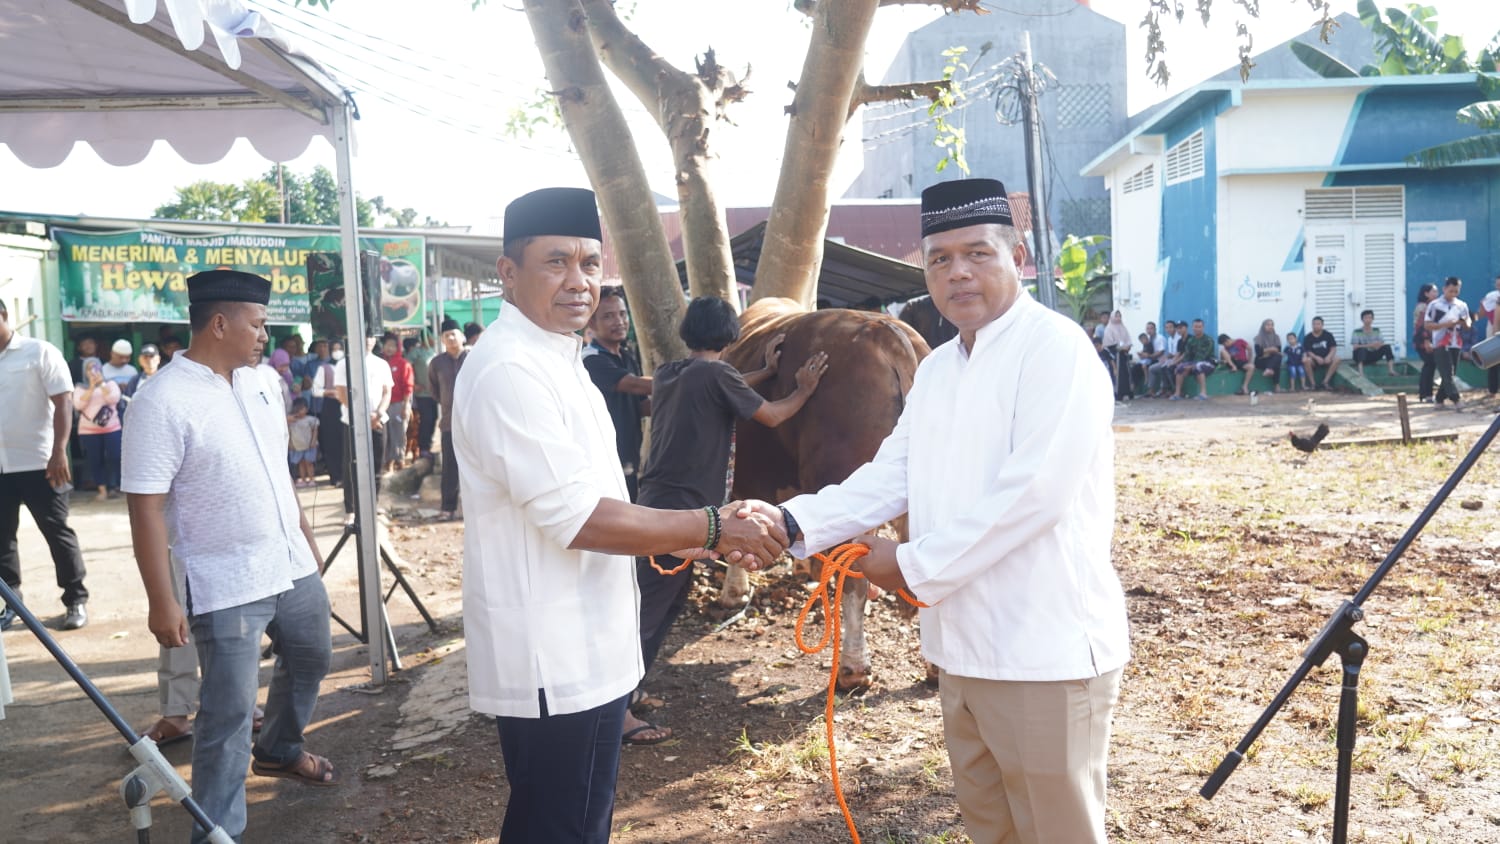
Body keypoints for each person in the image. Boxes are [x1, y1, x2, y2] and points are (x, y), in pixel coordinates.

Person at [734, 178, 1128, 844]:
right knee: (990, 829)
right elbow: (889, 476)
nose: (958, 272)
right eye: (940, 258)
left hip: (1043, 652)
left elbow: (1033, 496)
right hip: (960, 648)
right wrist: (793, 524)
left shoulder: (1056, 351)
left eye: (977, 252)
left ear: (1019, 257)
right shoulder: (942, 367)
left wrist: (908, 565)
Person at [452, 187, 788, 844]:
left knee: (577, 822)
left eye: (587, 263)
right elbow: (580, 520)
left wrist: (685, 541)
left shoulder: (561, 357)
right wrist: (712, 527)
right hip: (555, 653)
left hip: (592, 638)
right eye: (555, 263)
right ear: (507, 272)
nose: (578, 283)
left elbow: (603, 501)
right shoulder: (510, 370)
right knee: (561, 829)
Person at [123, 269, 337, 844]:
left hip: (290, 564)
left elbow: (278, 469)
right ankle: (218, 832)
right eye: (258, 324)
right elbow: (144, 507)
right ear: (220, 323)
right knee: (227, 716)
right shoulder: (161, 400)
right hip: (225, 583)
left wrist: (307, 542)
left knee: (315, 657)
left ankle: (280, 751)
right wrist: (161, 600)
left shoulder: (263, 380)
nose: (266, 336)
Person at [627, 297, 828, 744]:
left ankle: (632, 688)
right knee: (650, 607)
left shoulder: (668, 372)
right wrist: (802, 389)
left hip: (656, 498)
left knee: (667, 600)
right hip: (684, 507)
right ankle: (617, 712)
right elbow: (772, 414)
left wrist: (763, 373)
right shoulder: (716, 375)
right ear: (730, 334)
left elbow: (723, 386)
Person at [0, 299, 89, 632]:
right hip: (0, 468)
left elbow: (63, 401)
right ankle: (11, 604)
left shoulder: (39, 352)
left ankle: (75, 599)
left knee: (56, 531)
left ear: (5, 315)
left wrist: (59, 451)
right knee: (1, 538)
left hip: (41, 462)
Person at [582, 287, 651, 500]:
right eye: (608, 316)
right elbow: (633, 385)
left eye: (622, 314)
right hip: (603, 458)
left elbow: (641, 405)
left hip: (629, 453)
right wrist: (689, 381)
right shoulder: (591, 359)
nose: (619, 321)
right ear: (592, 323)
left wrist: (680, 403)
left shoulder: (627, 355)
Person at [334, 336, 394, 523]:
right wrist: (361, 417)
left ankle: (373, 505)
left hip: (377, 420)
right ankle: (351, 509)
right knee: (351, 464)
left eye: (371, 336)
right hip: (352, 421)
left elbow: (387, 391)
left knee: (377, 465)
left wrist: (378, 413)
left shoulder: (381, 364)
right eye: (364, 336)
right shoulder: (344, 363)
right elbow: (342, 394)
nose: (367, 340)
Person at [428, 319, 467, 520]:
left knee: (477, 469)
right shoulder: (437, 363)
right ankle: (448, 507)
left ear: (462, 336)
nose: (451, 338)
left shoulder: (473, 357)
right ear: (442, 339)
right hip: (449, 423)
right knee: (449, 467)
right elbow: (434, 391)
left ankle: (473, 510)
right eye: (446, 335)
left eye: (454, 333)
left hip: (475, 425)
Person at [74, 358, 123, 501]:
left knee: (115, 457)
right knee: (95, 460)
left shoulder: (110, 384)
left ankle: (113, 486)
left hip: (112, 428)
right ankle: (102, 489)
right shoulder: (80, 387)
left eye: (96, 368)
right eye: (90, 369)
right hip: (89, 431)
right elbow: (78, 405)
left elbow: (113, 398)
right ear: (85, 371)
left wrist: (101, 384)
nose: (93, 371)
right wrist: (91, 387)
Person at [1426, 276, 1471, 409]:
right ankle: (1456, 400)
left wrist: (1464, 323)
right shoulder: (1434, 305)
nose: (1453, 294)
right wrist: (1445, 324)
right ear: (1444, 289)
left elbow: (1468, 323)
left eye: (1456, 291)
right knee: (1447, 372)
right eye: (1450, 291)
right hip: (1440, 342)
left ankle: (1439, 400)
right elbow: (1427, 324)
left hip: (1456, 342)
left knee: (1451, 373)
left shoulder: (1462, 305)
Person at [312, 340, 344, 484]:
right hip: (330, 407)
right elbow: (315, 390)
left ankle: (346, 476)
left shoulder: (349, 365)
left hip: (346, 406)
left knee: (345, 442)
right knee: (332, 442)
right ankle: (335, 476)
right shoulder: (324, 368)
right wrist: (329, 392)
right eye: (334, 348)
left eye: (339, 348)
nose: (337, 351)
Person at [383, 334, 414, 473]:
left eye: (392, 345)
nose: (389, 348)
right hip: (383, 405)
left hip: (398, 404)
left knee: (399, 433)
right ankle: (388, 462)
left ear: (398, 347)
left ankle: (399, 459)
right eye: (387, 345)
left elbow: (408, 386)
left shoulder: (403, 364)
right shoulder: (381, 363)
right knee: (386, 435)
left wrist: (406, 405)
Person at [407, 334, 437, 460]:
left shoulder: (433, 352)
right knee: (426, 419)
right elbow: (407, 367)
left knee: (433, 419)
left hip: (433, 393)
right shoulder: (416, 352)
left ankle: (428, 445)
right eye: (431, 336)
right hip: (421, 394)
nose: (434, 339)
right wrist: (413, 384)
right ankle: (423, 448)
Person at [1171, 319, 1215, 400]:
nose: (1197, 329)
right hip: (1192, 362)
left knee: (1198, 366)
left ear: (1203, 327)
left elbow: (1202, 356)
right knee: (1180, 367)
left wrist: (1190, 366)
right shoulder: (1191, 340)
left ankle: (1203, 393)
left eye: (1199, 327)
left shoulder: (1208, 340)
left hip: (1208, 362)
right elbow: (1187, 355)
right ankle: (1177, 394)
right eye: (1195, 327)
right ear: (1192, 328)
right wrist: (1184, 365)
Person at [1412, 283, 1439, 402]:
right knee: (1429, 365)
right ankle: (1426, 394)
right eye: (1433, 291)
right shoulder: (1423, 307)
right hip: (1423, 341)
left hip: (1426, 340)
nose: (1436, 294)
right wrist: (1427, 340)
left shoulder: (1429, 305)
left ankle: (1425, 394)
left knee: (1429, 366)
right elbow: (1422, 326)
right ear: (1426, 293)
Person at [1350, 310, 1396, 376]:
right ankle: (1361, 373)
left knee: (1387, 347)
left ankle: (1391, 370)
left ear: (1372, 319)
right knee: (1361, 350)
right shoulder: (1357, 331)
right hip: (1360, 356)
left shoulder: (1376, 330)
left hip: (1373, 354)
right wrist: (1370, 345)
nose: (1368, 320)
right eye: (1366, 318)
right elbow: (1355, 347)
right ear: (1362, 319)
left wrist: (1377, 345)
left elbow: (1381, 343)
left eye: (1370, 318)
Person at [1101, 310, 1133, 401]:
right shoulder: (1109, 329)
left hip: (1124, 355)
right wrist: (1121, 348)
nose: (1118, 318)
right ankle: (1118, 393)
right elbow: (1109, 344)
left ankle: (1127, 392)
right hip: (1115, 356)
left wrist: (1127, 347)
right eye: (1116, 316)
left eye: (1120, 316)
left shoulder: (1123, 328)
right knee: (1117, 374)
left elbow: (1128, 340)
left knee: (1126, 373)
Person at [288, 398, 320, 488]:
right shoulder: (291, 421)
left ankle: (311, 479)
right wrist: (290, 444)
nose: (299, 412)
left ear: (306, 408)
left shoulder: (311, 420)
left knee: (309, 463)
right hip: (297, 446)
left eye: (301, 409)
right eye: (297, 409)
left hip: (309, 445)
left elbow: (315, 430)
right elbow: (289, 433)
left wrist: (314, 441)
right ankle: (303, 480)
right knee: (301, 463)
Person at [1303, 316, 1340, 389]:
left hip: (1327, 359)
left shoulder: (1328, 335)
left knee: (1337, 359)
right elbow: (1308, 351)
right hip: (1314, 360)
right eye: (1314, 324)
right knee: (1306, 360)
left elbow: (1333, 348)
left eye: (1318, 324)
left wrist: (1329, 357)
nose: (1315, 326)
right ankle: (1313, 384)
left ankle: (1325, 382)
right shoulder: (1308, 337)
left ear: (1322, 325)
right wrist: (1316, 358)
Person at [1146, 319, 1180, 397]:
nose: (1168, 329)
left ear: (1175, 328)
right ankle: (1153, 390)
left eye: (1170, 327)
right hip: (1170, 360)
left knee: (1163, 367)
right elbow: (1170, 353)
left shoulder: (1178, 338)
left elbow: (1177, 353)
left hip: (1177, 360)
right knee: (1153, 367)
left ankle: (1168, 389)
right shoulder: (1170, 338)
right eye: (1167, 328)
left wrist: (1168, 358)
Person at [1251, 319, 1282, 393]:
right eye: (1268, 325)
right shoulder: (1258, 338)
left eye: (1272, 325)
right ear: (1263, 326)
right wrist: (1271, 349)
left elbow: (1278, 350)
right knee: (1276, 361)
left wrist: (1265, 351)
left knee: (1277, 358)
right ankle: (1276, 385)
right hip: (1260, 361)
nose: (1270, 327)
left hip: (1271, 359)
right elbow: (1259, 353)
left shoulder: (1276, 337)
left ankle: (1268, 369)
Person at [1482, 274, 1499, 395]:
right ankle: (1492, 390)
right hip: (1494, 330)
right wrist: (1495, 334)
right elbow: (1484, 313)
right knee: (1493, 360)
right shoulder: (1492, 296)